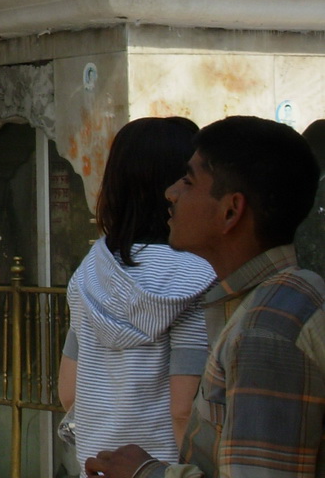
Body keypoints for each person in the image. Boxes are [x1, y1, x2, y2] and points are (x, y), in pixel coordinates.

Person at [85, 116, 325, 478]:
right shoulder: (278, 298)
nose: (171, 192)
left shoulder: (265, 332)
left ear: (231, 210)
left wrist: (146, 473)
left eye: (189, 180)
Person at [60, 117, 214, 476]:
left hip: (99, 466)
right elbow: (183, 407)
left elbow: (69, 392)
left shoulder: (90, 271)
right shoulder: (199, 278)